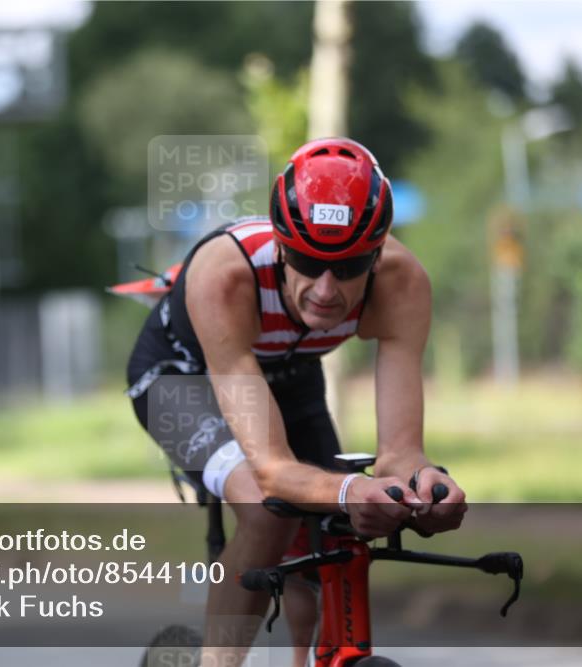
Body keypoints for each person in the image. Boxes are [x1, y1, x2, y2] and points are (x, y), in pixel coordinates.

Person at [126, 138, 467, 667]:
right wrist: (349, 488)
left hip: (289, 374)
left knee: (331, 529)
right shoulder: (227, 275)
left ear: (377, 254)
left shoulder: (402, 284)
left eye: (350, 266)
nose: (327, 288)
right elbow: (271, 470)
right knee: (269, 512)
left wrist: (428, 488)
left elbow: (401, 453)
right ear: (282, 246)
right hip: (180, 377)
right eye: (308, 260)